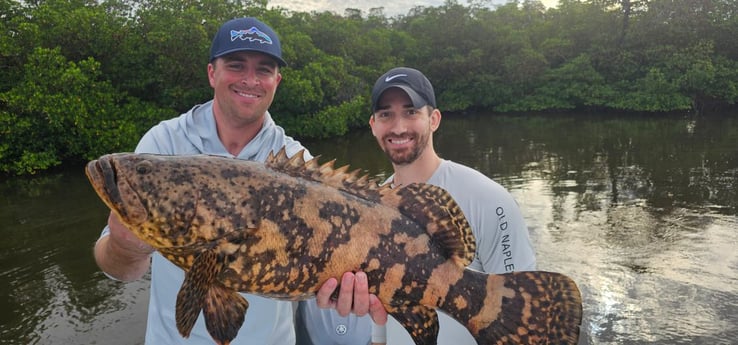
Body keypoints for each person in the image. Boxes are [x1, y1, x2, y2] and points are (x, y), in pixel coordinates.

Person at [93, 17, 311, 344]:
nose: (250, 79)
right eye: (236, 65)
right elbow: (119, 270)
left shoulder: (296, 163)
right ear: (212, 73)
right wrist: (126, 247)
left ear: (276, 81)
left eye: (264, 70)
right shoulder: (163, 144)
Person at [295, 67, 538, 344]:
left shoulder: (489, 199)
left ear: (433, 119)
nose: (398, 127)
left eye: (411, 112)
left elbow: (522, 311)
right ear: (373, 125)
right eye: (386, 114)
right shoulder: (368, 208)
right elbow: (381, 331)